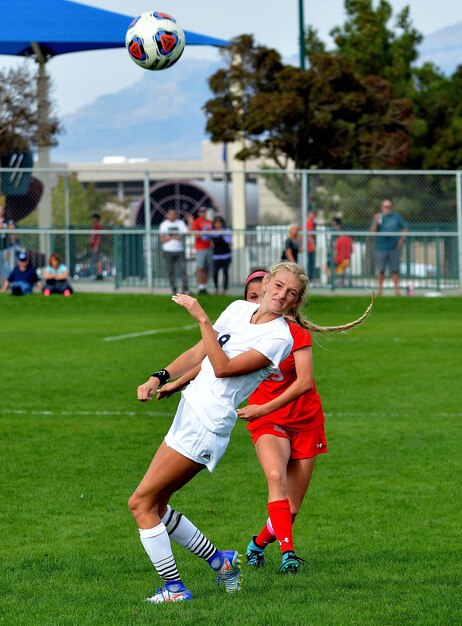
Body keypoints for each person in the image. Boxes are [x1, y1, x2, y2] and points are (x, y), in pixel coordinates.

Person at [131, 262, 308, 603]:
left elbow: (224, 368)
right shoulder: (239, 308)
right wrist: (159, 377)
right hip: (188, 413)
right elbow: (201, 352)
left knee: (141, 504)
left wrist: (201, 318)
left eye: (292, 294)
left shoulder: (279, 337)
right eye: (279, 286)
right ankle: (221, 560)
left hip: (206, 425)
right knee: (157, 503)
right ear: (268, 282)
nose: (282, 295)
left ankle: (175, 589)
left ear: (295, 303)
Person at [236, 270, 372, 574]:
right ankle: (289, 555)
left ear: (294, 302)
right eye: (253, 296)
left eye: (290, 293)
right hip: (268, 419)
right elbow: (211, 362)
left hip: (304, 420)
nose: (271, 298)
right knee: (275, 476)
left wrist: (260, 407)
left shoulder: (293, 333)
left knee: (291, 509)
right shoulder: (239, 329)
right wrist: (172, 379)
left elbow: (305, 383)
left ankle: (257, 544)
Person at [370, 199, 407, 296]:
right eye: (386, 207)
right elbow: (372, 232)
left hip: (394, 247)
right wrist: (376, 222)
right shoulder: (378, 217)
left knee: (395, 269)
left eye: (389, 207)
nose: (388, 209)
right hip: (381, 247)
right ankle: (380, 290)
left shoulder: (396, 217)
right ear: (382, 207)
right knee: (381, 269)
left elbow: (404, 228)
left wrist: (401, 240)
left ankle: (396, 290)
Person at [158, 208, 189, 295]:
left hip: (179, 250)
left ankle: (185, 289)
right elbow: (162, 239)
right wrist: (173, 237)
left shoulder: (180, 223)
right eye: (170, 214)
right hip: (168, 251)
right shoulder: (163, 225)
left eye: (174, 214)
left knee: (183, 270)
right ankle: (174, 289)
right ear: (167, 215)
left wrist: (190, 222)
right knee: (170, 271)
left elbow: (187, 232)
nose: (172, 216)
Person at [326, 217, 354, 286]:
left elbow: (336, 251)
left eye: (334, 224)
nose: (333, 226)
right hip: (345, 259)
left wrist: (335, 258)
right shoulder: (347, 238)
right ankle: (338, 281)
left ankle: (331, 281)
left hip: (340, 259)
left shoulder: (340, 238)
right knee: (339, 264)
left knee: (328, 265)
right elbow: (351, 251)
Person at [191, 207, 213, 294]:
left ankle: (205, 287)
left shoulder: (210, 222)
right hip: (200, 248)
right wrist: (205, 235)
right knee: (200, 268)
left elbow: (213, 234)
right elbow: (196, 235)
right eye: (201, 212)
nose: (203, 213)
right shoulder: (197, 222)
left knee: (207, 268)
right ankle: (200, 287)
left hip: (209, 248)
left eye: (204, 212)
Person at [210, 215, 232, 295]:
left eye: (219, 222)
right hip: (216, 256)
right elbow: (204, 237)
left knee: (225, 273)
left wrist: (221, 234)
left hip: (226, 255)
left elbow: (229, 240)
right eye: (216, 222)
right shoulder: (212, 232)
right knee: (215, 272)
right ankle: (216, 288)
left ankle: (225, 289)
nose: (218, 224)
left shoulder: (226, 231)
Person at [89, 212, 103, 280]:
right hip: (92, 246)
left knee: (98, 260)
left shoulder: (98, 227)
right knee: (95, 260)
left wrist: (96, 246)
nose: (92, 220)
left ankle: (100, 274)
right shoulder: (93, 227)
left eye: (93, 218)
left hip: (96, 246)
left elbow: (98, 237)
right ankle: (98, 273)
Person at [305, 211, 316, 281]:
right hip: (309, 247)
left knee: (311, 263)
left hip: (310, 247)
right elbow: (309, 235)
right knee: (310, 263)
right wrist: (313, 245)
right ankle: (309, 278)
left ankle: (310, 278)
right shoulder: (308, 223)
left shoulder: (312, 223)